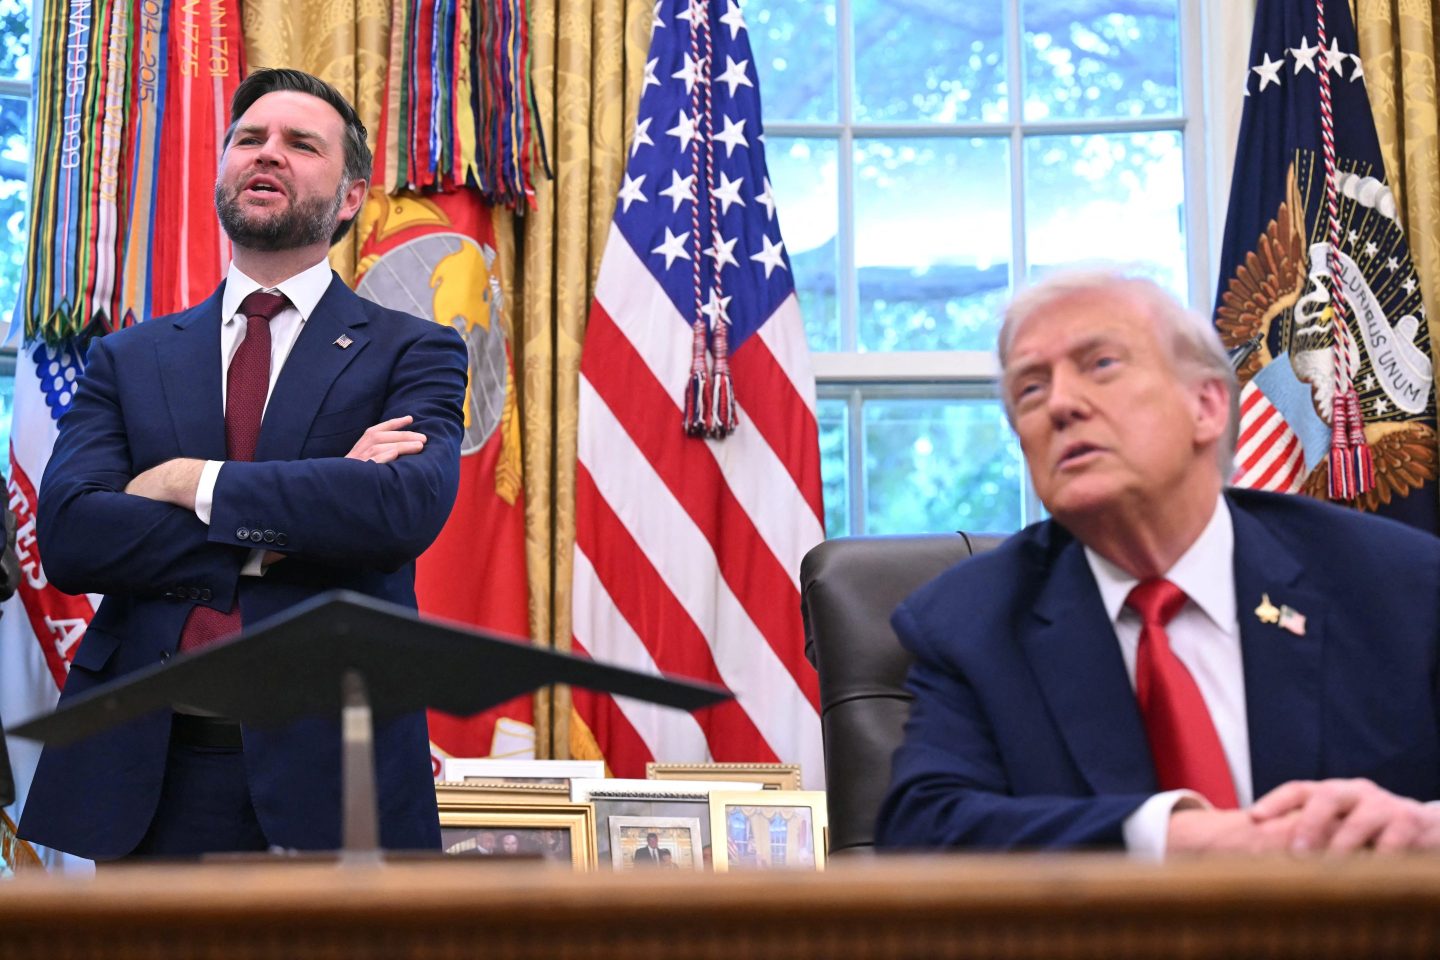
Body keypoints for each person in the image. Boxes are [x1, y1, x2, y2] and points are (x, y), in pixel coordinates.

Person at [18, 68, 466, 861]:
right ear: (223, 166)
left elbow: (398, 512)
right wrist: (295, 523)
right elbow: (73, 537)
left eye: (301, 144)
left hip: (338, 776)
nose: (268, 155)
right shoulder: (129, 357)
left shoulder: (414, 350)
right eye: (249, 139)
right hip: (149, 776)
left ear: (353, 195)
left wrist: (191, 482)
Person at [875, 269, 1440, 858]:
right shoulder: (972, 623)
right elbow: (922, 832)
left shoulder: (1399, 586)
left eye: (1101, 366)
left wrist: (1425, 829)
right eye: (1031, 390)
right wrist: (1171, 837)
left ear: (1207, 405)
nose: (1061, 405)